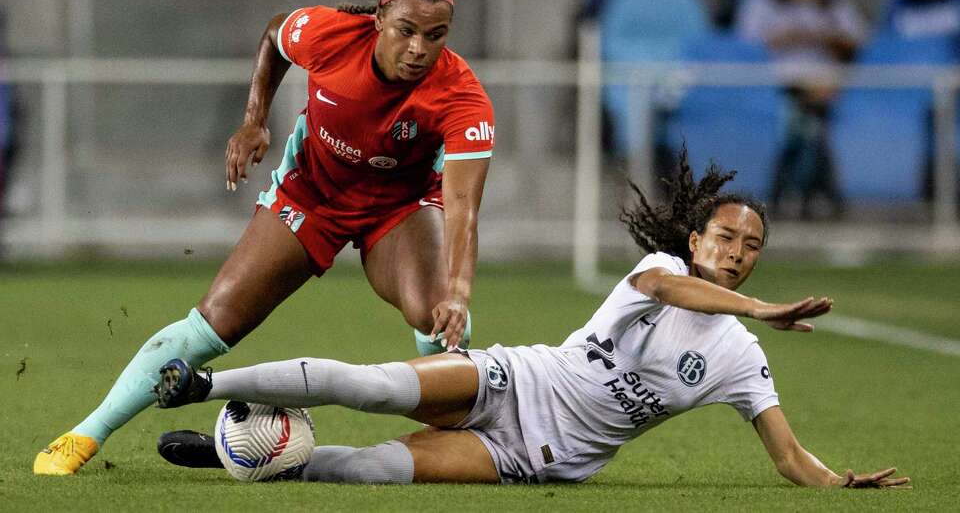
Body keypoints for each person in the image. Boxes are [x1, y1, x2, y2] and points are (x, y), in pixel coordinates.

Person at [152, 152, 910, 489]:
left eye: (752, 247)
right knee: (374, 386)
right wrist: (761, 308)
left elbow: (787, 454)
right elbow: (674, 293)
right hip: (519, 380)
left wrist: (837, 484)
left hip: (543, 456)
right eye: (726, 238)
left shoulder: (741, 359)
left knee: (376, 467)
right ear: (695, 240)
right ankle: (205, 384)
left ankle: (242, 459)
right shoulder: (665, 274)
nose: (738, 253)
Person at [34, 0, 496, 476]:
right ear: (378, 19)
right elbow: (276, 34)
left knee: (436, 312)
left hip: (399, 207)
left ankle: (452, 430)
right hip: (310, 194)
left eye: (436, 35)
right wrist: (255, 117)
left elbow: (463, 205)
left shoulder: (463, 96)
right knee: (214, 321)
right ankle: (85, 434)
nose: (418, 49)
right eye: (406, 30)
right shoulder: (330, 34)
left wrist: (459, 291)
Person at [735, 0, 866, 219]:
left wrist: (825, 38)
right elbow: (743, 51)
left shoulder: (835, 6)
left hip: (828, 93)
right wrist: (789, 38)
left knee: (809, 123)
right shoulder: (760, 3)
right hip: (772, 94)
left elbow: (859, 45)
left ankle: (788, 195)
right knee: (804, 124)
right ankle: (808, 194)